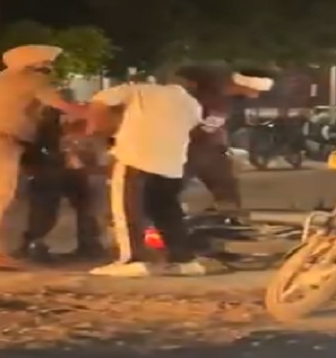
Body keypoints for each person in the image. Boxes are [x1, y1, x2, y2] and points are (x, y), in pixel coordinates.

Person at [0, 44, 86, 268]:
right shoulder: (31, 80)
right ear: (33, 64)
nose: (49, 68)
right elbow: (63, 106)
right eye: (46, 63)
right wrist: (93, 112)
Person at [85, 73, 206, 277]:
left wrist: (100, 129)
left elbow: (100, 99)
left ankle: (132, 260)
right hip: (172, 164)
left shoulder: (138, 90)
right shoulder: (191, 103)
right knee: (167, 212)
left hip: (134, 158)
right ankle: (185, 260)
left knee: (127, 211)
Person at [15, 105, 106, 262]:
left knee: (56, 206)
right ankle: (87, 244)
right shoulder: (48, 125)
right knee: (51, 206)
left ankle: (87, 244)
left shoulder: (44, 123)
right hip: (53, 167)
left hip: (57, 167)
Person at [182, 65, 274, 213]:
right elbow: (202, 126)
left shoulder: (222, 97)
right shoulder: (213, 97)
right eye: (257, 90)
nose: (257, 95)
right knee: (222, 187)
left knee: (225, 188)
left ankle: (228, 214)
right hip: (198, 149)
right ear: (246, 84)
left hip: (207, 148)